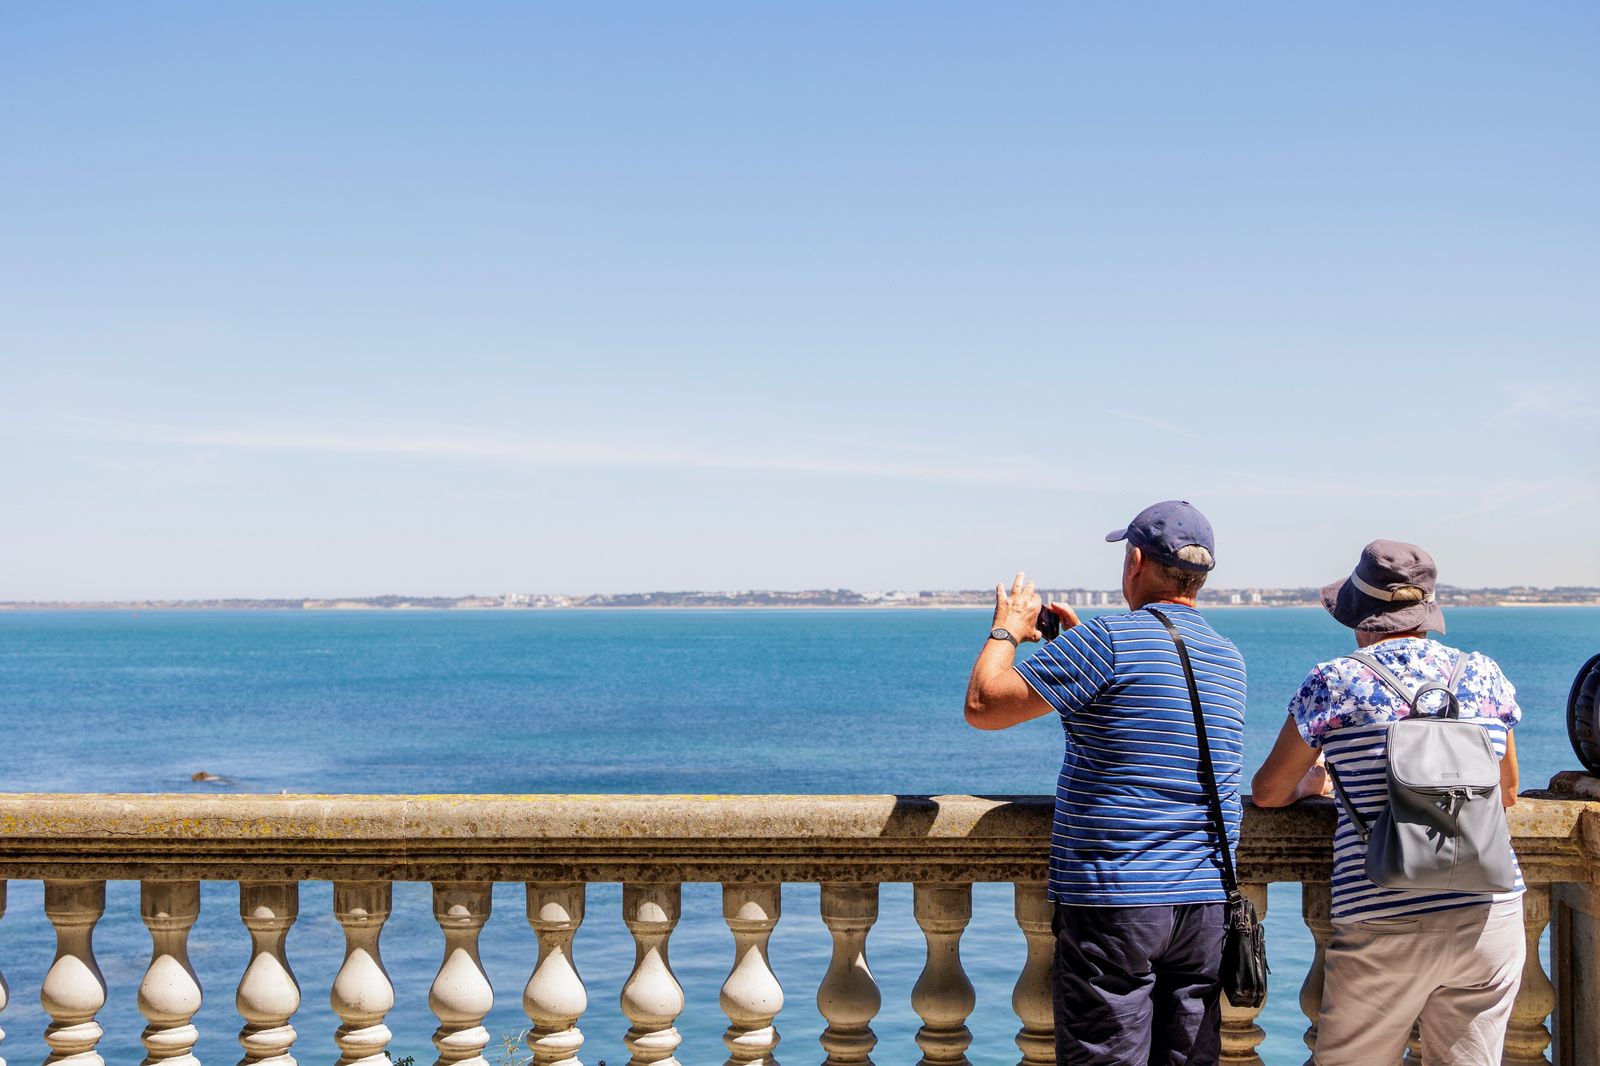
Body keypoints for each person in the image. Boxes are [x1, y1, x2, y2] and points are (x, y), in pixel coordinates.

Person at [964, 500, 1246, 1066]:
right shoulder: (1227, 656)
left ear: (1135, 560)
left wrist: (1007, 631)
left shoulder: (1110, 639)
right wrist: (1072, 649)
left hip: (1120, 896)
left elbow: (984, 705)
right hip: (1206, 899)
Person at [1252, 540, 1524, 1066]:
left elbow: (1267, 792)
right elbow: (1507, 790)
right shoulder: (1484, 673)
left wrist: (1313, 784)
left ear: (1361, 613)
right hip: (1490, 911)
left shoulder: (1336, 680)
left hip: (1384, 915)